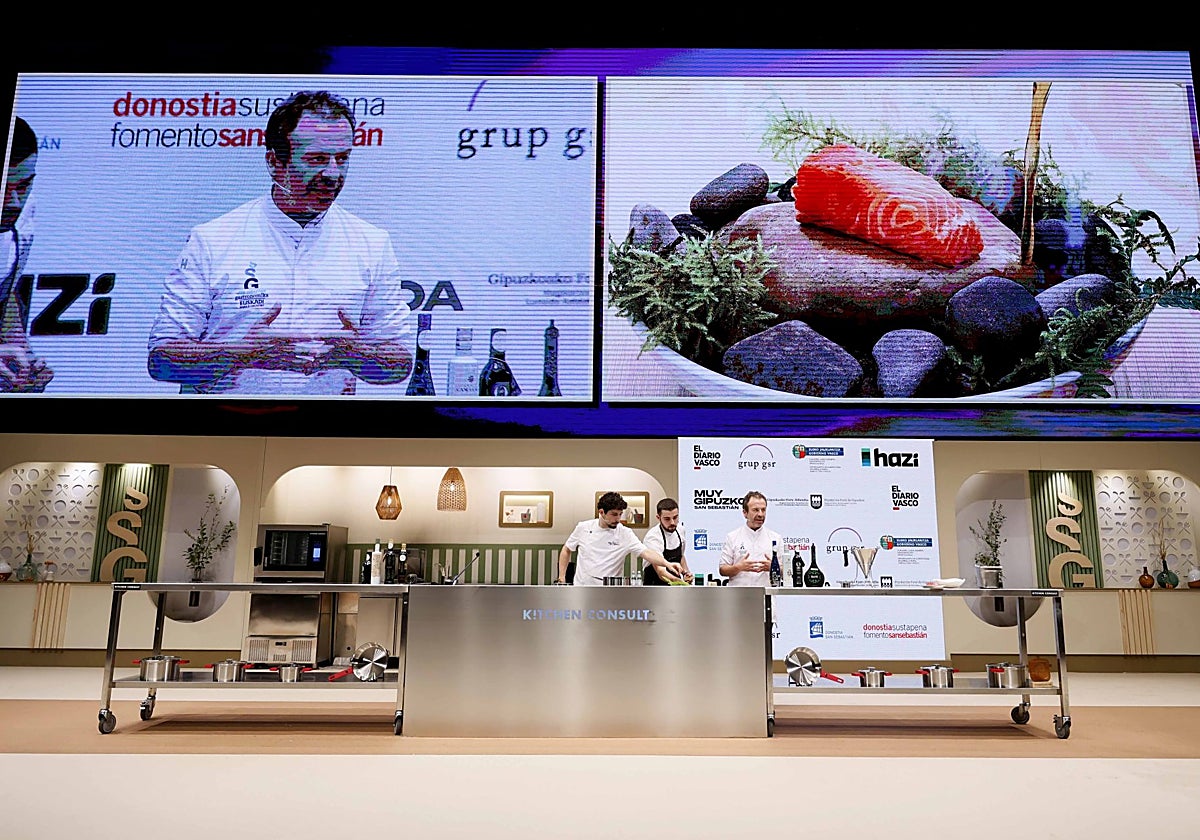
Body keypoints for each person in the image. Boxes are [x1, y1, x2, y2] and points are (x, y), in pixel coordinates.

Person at [147, 91, 411, 395]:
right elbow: (161, 361)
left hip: (327, 434)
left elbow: (399, 363)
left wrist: (353, 355)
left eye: (343, 159)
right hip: (222, 430)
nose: (332, 174)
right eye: (316, 159)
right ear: (274, 162)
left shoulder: (372, 244)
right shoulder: (213, 240)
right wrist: (245, 353)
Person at [1, 116, 53, 392]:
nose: (13, 202)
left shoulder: (23, 212)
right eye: (3, 190)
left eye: (23, 185)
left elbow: (3, 290)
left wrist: (20, 357)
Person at [558, 491, 683, 586]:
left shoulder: (625, 533)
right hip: (583, 587)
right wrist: (562, 578)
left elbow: (646, 552)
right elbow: (566, 549)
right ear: (601, 512)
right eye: (614, 514)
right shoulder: (583, 527)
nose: (618, 519)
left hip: (611, 589)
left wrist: (667, 563)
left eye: (620, 514)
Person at [719, 491, 781, 587]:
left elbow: (787, 572)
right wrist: (738, 567)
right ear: (745, 513)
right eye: (755, 510)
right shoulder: (732, 537)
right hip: (738, 598)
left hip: (766, 598)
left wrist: (773, 568)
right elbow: (722, 570)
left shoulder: (775, 538)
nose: (760, 514)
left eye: (763, 510)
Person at [641, 497, 694, 585]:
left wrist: (686, 573)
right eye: (667, 519)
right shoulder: (653, 537)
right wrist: (681, 583)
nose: (672, 522)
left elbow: (681, 556)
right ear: (658, 517)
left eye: (675, 517)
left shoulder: (681, 530)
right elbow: (661, 572)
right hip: (654, 587)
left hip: (674, 585)